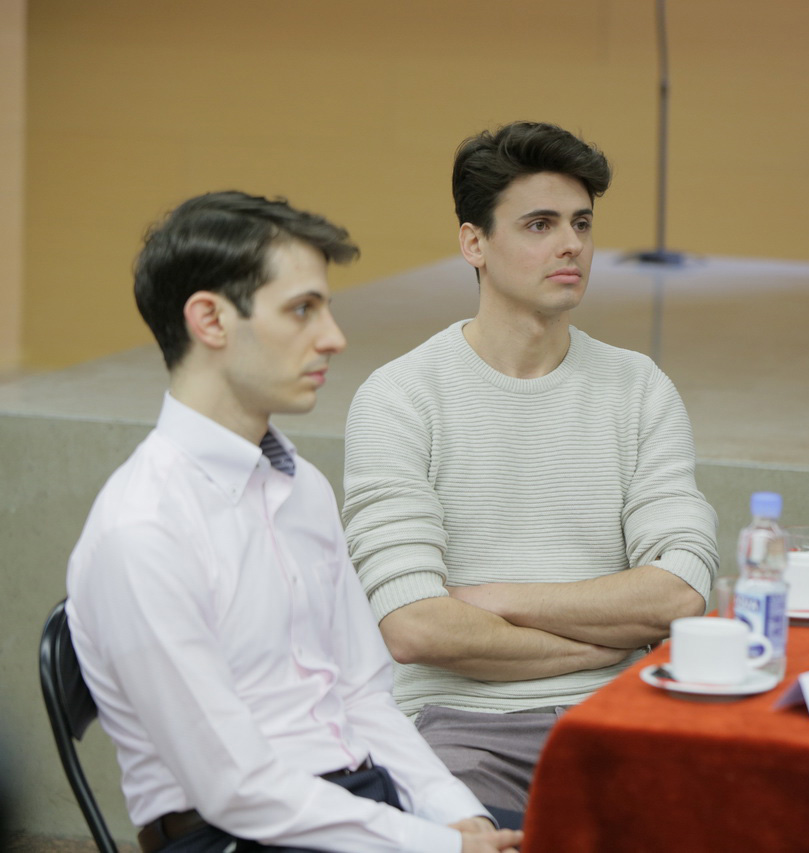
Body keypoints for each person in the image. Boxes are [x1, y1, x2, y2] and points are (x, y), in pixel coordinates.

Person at [66, 192, 521, 853]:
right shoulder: (142, 528)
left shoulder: (300, 485)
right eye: (302, 309)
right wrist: (436, 845)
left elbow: (364, 696)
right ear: (210, 320)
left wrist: (461, 818)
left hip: (357, 799)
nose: (333, 336)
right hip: (234, 834)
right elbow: (237, 788)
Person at [343, 121, 718, 812]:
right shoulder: (400, 397)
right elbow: (416, 626)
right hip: (460, 728)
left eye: (581, 223)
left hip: (622, 714)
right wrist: (603, 643)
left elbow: (680, 593)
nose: (571, 243)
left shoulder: (639, 387)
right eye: (540, 225)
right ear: (474, 243)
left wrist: (493, 599)